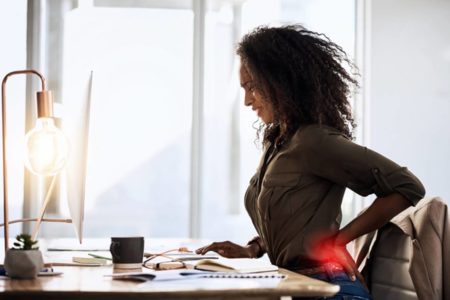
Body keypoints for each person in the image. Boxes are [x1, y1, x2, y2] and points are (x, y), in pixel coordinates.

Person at [196, 24, 425, 300]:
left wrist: (340, 240)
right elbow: (293, 221)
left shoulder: (314, 141)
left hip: (332, 289)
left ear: (281, 81)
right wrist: (253, 249)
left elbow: (407, 186)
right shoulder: (277, 142)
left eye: (252, 87)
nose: (246, 101)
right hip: (299, 286)